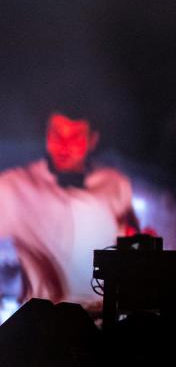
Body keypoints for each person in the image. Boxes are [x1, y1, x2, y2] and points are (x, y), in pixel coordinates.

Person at [0, 112, 137, 309]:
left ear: (92, 141)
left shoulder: (114, 184)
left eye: (75, 137)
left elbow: (131, 241)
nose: (64, 145)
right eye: (57, 135)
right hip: (45, 321)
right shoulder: (15, 187)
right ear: (47, 136)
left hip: (103, 319)